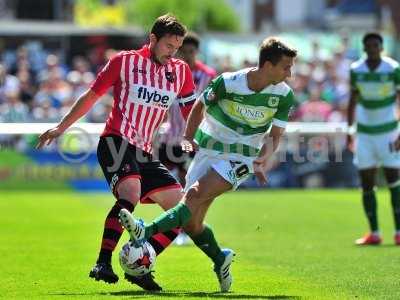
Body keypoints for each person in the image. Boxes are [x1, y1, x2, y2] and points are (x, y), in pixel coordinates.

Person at [119, 37, 297, 292]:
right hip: (208, 150)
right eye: (286, 67)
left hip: (241, 158)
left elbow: (275, 135)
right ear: (268, 65)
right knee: (191, 223)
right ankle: (219, 257)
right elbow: (200, 104)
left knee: (193, 194)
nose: (289, 73)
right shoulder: (229, 82)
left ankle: (144, 231)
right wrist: (188, 138)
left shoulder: (283, 95)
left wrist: (261, 159)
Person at [36, 14, 196, 291]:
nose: (173, 52)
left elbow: (190, 111)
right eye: (169, 45)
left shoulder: (180, 71)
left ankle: (142, 264)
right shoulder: (124, 62)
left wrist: (204, 138)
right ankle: (103, 261)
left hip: (145, 150)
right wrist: (61, 127)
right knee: (130, 192)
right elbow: (91, 96)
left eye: (178, 47)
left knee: (182, 210)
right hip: (115, 140)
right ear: (153, 39)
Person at [157, 32, 217, 245]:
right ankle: (175, 227)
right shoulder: (169, 71)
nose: (188, 55)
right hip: (169, 138)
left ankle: (184, 229)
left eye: (191, 52)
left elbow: (212, 107)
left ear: (197, 52)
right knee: (164, 186)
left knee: (187, 184)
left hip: (192, 139)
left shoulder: (208, 75)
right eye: (184, 51)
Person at [347, 32, 400, 246]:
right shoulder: (356, 70)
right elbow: (352, 100)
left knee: (394, 180)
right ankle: (374, 233)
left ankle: (398, 232)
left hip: (388, 132)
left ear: (381, 46)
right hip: (365, 133)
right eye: (368, 46)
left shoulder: (393, 68)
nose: (372, 49)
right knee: (366, 183)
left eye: (375, 45)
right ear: (364, 48)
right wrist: (349, 130)